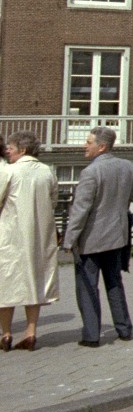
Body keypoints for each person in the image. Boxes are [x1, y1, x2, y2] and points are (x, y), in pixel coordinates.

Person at [61, 127, 133, 347]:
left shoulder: (90, 173)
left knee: (87, 286)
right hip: (116, 236)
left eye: (88, 142)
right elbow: (129, 197)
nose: (85, 145)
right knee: (114, 282)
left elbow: (80, 210)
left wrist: (69, 240)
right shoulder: (126, 167)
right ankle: (124, 328)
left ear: (101, 146)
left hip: (91, 240)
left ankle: (92, 335)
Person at [0, 131, 59, 352]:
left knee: (6, 284)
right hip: (40, 237)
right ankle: (31, 331)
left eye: (11, 148)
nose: (8, 151)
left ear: (22, 150)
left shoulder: (9, 171)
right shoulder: (47, 172)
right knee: (35, 281)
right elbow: (53, 201)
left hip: (10, 236)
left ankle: (6, 334)